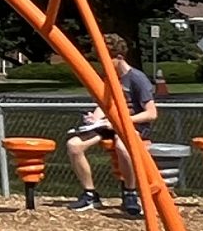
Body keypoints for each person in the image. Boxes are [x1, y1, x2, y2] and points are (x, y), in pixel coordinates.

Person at [66, 32, 159, 213]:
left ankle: (130, 193)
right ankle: (90, 194)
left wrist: (120, 121)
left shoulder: (137, 79)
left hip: (132, 124)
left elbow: (151, 113)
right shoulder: (110, 77)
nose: (103, 65)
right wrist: (95, 117)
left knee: (122, 147)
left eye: (106, 60)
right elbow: (106, 103)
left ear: (119, 57)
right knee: (74, 145)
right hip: (110, 124)